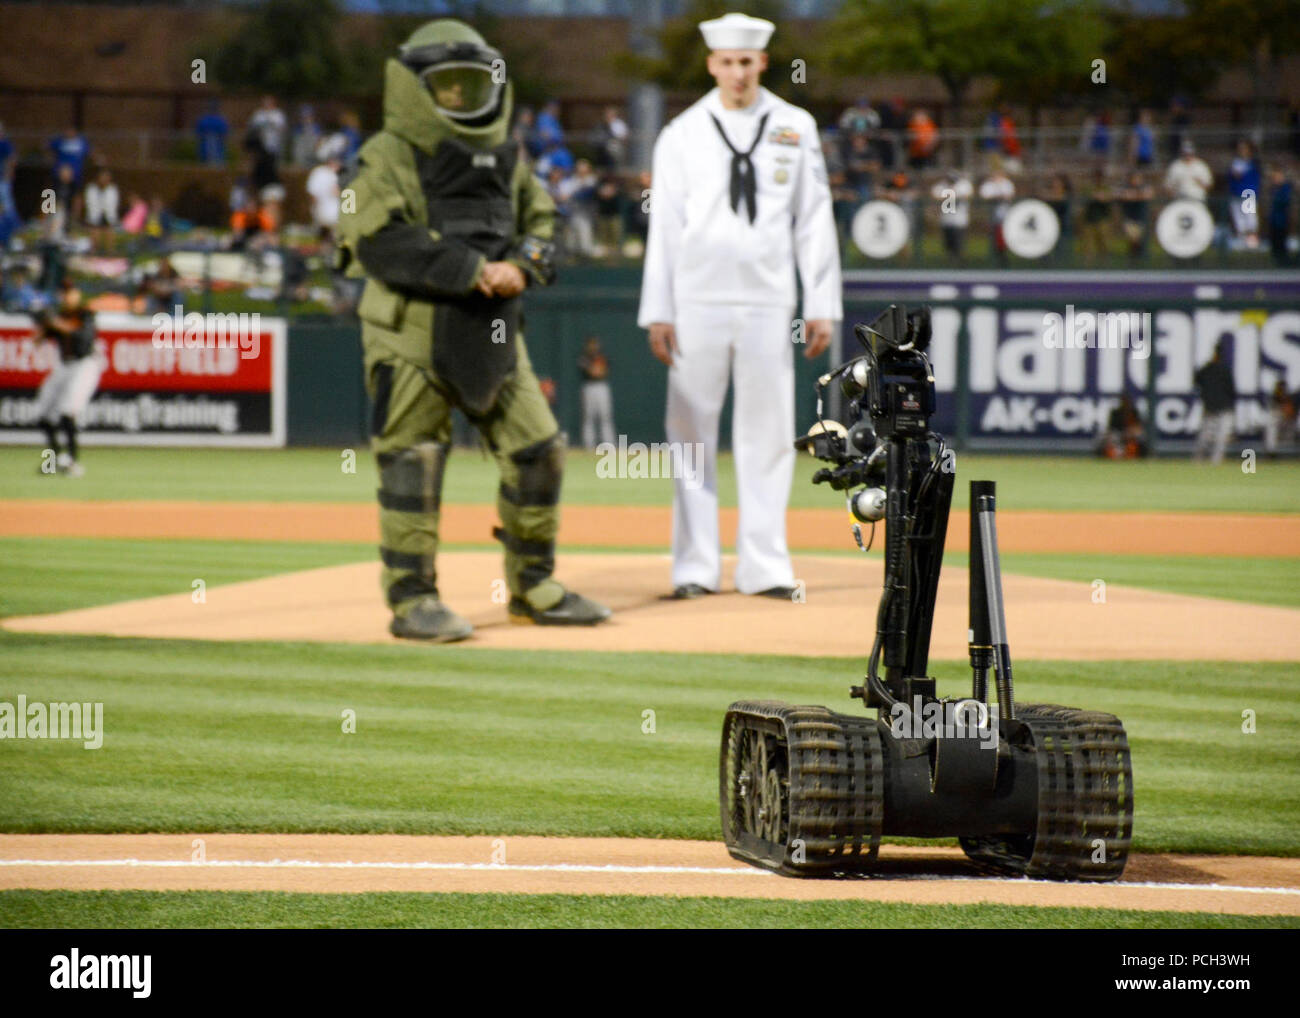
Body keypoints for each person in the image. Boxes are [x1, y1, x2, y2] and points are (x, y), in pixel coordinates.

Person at [335, 18, 611, 640]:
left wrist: (522, 265)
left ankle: (533, 586)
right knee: (414, 460)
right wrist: (473, 270)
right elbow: (373, 238)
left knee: (538, 452)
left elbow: (545, 221)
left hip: (493, 331)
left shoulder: (508, 156)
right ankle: (412, 601)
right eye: (445, 85)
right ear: (413, 89)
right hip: (410, 332)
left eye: (471, 83)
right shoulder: (385, 155)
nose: (460, 97)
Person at [638, 12, 841, 601]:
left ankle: (764, 565)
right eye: (726, 62)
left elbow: (814, 219)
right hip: (696, 298)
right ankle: (694, 567)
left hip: (768, 299)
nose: (736, 73)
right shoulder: (681, 132)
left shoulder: (795, 125)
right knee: (690, 434)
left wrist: (820, 303)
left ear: (762, 63)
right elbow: (665, 228)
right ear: (711, 65)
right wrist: (659, 310)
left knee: (770, 434)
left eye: (746, 62)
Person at [32, 277, 101, 478]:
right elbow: (37, 341)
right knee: (43, 414)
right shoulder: (58, 315)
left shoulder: (85, 314)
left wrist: (56, 322)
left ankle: (72, 463)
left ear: (77, 294)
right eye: (64, 292)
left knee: (67, 413)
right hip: (63, 366)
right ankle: (52, 461)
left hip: (84, 365)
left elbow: (83, 337)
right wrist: (42, 322)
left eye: (71, 292)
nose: (68, 296)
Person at [1193, 340, 1235, 464]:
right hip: (1214, 408)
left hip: (1218, 408)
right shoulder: (1210, 369)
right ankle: (1201, 461)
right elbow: (1197, 381)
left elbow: (1231, 391)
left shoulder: (1211, 369)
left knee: (1216, 438)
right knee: (1207, 438)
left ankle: (1209, 462)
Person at [578, 336, 615, 449]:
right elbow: (593, 372)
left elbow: (601, 372)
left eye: (595, 344)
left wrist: (596, 369)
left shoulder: (602, 357)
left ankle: (609, 445)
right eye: (591, 344)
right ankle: (589, 446)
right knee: (588, 417)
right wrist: (595, 369)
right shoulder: (583, 358)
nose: (593, 346)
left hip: (601, 386)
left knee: (605, 416)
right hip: (589, 387)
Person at [1097, 394, 1147, 459]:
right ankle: (1113, 456)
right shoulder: (1116, 413)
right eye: (1123, 402)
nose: (1125, 404)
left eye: (1127, 402)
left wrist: (1131, 432)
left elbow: (1139, 428)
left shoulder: (1134, 412)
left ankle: (1134, 455)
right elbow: (1110, 429)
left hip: (1131, 436)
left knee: (1140, 438)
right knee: (1108, 439)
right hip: (1117, 435)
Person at [1267, 165, 1293, 266]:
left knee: (1281, 242)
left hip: (1282, 221)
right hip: (1274, 220)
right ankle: (1277, 261)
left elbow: (1284, 202)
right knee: (1274, 243)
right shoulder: (1273, 189)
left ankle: (1284, 262)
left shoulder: (1285, 188)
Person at [1264, 380, 1296, 458]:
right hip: (1279, 424)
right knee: (1271, 427)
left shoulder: (1290, 399)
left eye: (1282, 388)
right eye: (1279, 388)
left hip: (1289, 425)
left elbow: (1291, 414)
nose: (1281, 390)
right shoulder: (1274, 399)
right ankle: (1271, 453)